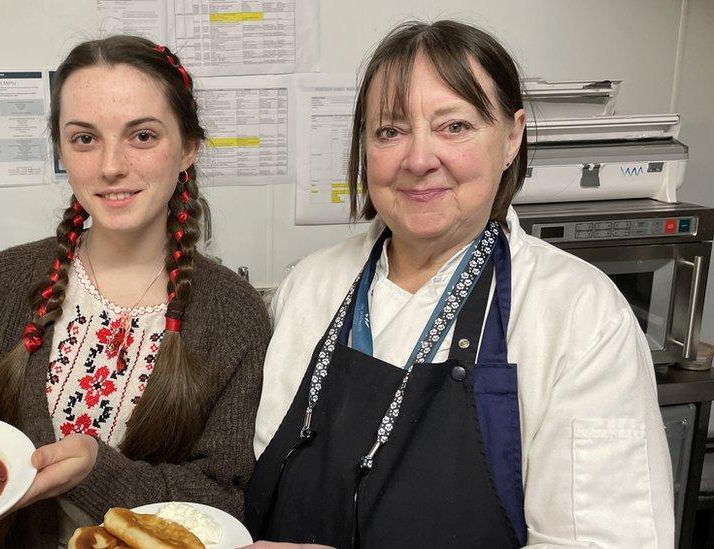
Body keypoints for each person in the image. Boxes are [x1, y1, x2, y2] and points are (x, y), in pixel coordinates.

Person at [244, 20, 674, 549]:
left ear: (512, 136)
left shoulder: (578, 313)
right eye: (390, 131)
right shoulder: (310, 287)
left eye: (455, 127)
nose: (419, 159)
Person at [0, 35, 270, 548]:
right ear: (62, 150)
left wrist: (96, 471)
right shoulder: (8, 279)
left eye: (143, 136)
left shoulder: (234, 314)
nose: (110, 166)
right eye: (85, 138)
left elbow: (227, 499)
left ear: (188, 148)